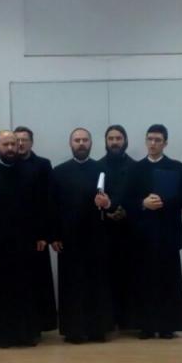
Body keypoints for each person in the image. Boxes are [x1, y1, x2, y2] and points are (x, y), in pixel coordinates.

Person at [0, 131, 47, 348]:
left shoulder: (32, 172)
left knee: (28, 287)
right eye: (5, 144)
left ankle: (29, 333)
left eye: (13, 144)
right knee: (2, 290)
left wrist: (42, 235)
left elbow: (40, 205)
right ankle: (3, 335)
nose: (10, 148)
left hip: (27, 239)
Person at [124, 124, 182, 339]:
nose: (153, 144)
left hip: (167, 233)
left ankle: (167, 326)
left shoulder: (176, 167)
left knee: (167, 280)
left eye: (158, 140)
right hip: (142, 235)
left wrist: (164, 202)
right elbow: (126, 200)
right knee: (143, 280)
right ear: (146, 141)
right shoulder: (135, 168)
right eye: (150, 139)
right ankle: (145, 326)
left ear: (165, 143)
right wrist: (143, 203)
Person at [49, 128, 114, 344]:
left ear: (91, 143)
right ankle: (73, 330)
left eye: (85, 140)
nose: (81, 143)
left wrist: (107, 202)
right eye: (77, 140)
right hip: (69, 238)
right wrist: (54, 235)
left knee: (97, 284)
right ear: (71, 144)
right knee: (72, 285)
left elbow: (115, 198)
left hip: (97, 236)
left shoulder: (102, 169)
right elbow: (52, 206)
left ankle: (98, 329)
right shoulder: (58, 172)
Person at [14, 126, 58, 336]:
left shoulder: (43, 165)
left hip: (37, 233)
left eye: (25, 140)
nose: (20, 144)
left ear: (32, 142)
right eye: (17, 140)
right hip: (15, 232)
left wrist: (45, 234)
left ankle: (41, 323)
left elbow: (49, 201)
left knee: (38, 280)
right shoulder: (8, 164)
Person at [100, 124, 137, 331]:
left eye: (118, 138)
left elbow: (139, 195)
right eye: (111, 138)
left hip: (129, 230)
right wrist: (107, 212)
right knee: (106, 276)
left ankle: (128, 319)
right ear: (106, 142)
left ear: (125, 141)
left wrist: (125, 210)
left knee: (129, 275)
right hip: (104, 230)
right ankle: (108, 318)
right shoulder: (97, 166)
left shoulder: (136, 167)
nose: (114, 142)